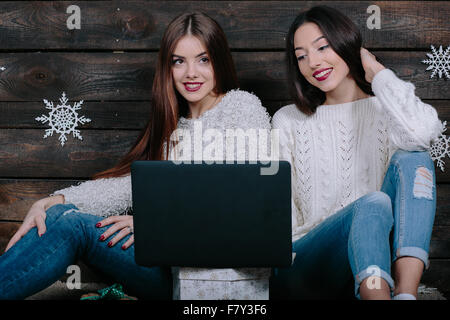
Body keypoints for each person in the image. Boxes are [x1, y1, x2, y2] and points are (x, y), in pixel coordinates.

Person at [0, 12, 271, 300]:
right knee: (63, 217)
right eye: (179, 61)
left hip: (213, 274)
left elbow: (247, 203)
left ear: (219, 59)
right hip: (165, 264)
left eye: (203, 59)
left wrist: (156, 227)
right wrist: (55, 199)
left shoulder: (242, 107)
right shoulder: (172, 126)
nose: (191, 72)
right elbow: (128, 186)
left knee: (70, 223)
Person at [270, 6, 444, 300]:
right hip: (308, 265)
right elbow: (278, 216)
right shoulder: (288, 120)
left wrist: (378, 73)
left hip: (376, 262)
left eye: (322, 47)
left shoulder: (385, 109)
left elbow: (424, 133)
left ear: (346, 43)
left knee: (415, 157)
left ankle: (405, 293)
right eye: (301, 56)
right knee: (372, 203)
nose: (313, 62)